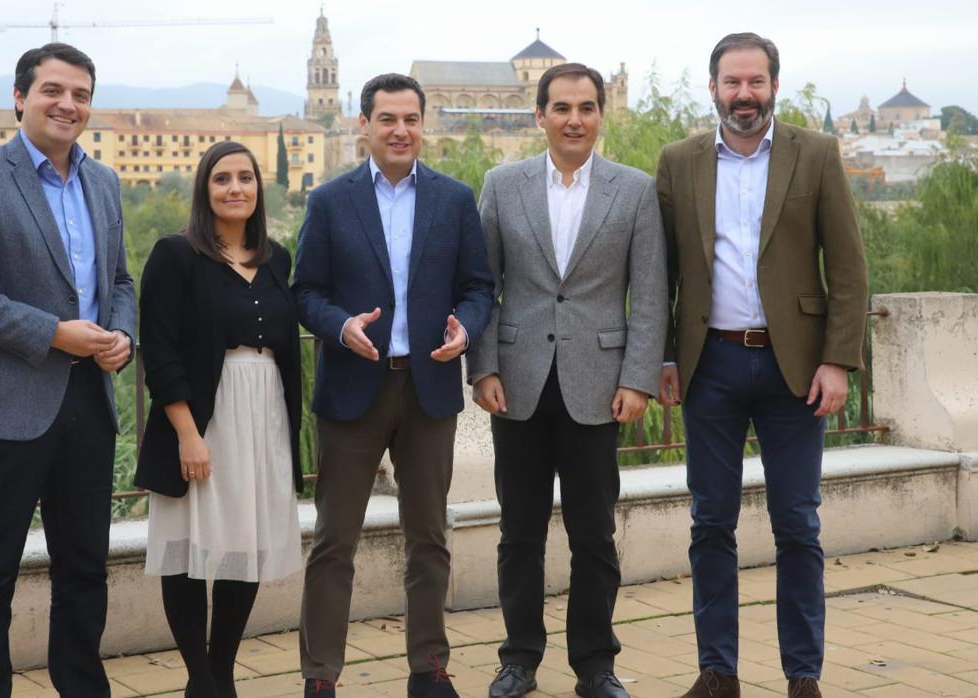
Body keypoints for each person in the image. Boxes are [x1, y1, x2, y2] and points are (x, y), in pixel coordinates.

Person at [656, 33, 869, 698]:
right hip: (709, 364)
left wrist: (837, 361)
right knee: (709, 523)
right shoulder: (678, 161)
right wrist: (661, 356)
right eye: (731, 82)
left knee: (797, 525)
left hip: (795, 371)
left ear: (773, 85)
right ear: (713, 87)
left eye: (754, 82)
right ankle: (716, 672)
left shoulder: (816, 153)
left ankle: (801, 674)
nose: (742, 95)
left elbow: (847, 267)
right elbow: (658, 270)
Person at [0, 43, 135, 694]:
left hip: (88, 402)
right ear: (20, 97)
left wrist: (122, 332)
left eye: (79, 94)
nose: (66, 104)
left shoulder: (102, 182)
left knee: (85, 570)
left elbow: (120, 279)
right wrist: (53, 334)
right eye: (52, 90)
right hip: (5, 404)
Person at [468, 63, 667, 698]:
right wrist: (485, 366)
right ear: (540, 116)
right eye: (561, 108)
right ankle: (519, 660)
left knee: (594, 535)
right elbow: (482, 288)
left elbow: (652, 296)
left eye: (586, 107)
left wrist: (638, 377)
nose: (574, 119)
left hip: (600, 385)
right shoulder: (502, 185)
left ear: (601, 114)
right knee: (518, 533)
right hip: (517, 385)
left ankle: (595, 665)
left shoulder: (634, 190)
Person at [293, 73, 494, 698]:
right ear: (364, 125)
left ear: (422, 124)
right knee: (333, 544)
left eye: (411, 119)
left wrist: (468, 328)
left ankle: (429, 670)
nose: (400, 130)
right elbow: (305, 293)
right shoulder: (330, 201)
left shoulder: (455, 199)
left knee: (430, 538)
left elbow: (479, 288)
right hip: (353, 389)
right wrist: (339, 324)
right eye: (387, 119)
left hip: (430, 388)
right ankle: (320, 677)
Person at [137, 141, 304, 698]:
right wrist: (188, 433)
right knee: (189, 547)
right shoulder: (175, 254)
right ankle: (199, 680)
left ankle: (223, 674)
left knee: (243, 544)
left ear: (259, 187)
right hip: (203, 414)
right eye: (222, 179)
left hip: (263, 412)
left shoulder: (277, 258)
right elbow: (158, 351)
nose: (236, 188)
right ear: (204, 190)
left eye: (246, 178)